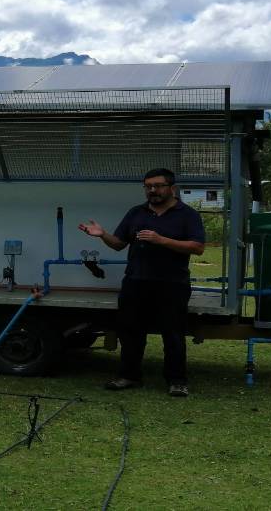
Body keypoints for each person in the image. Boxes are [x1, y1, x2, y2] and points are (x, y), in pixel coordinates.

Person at [78, 168, 205, 397]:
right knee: (130, 332)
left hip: (172, 284)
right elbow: (118, 244)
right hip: (136, 281)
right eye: (148, 186)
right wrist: (102, 234)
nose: (153, 190)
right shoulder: (136, 213)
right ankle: (129, 376)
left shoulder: (187, 214)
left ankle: (176, 380)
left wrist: (161, 240)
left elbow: (197, 247)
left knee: (173, 333)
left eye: (158, 186)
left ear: (171, 188)